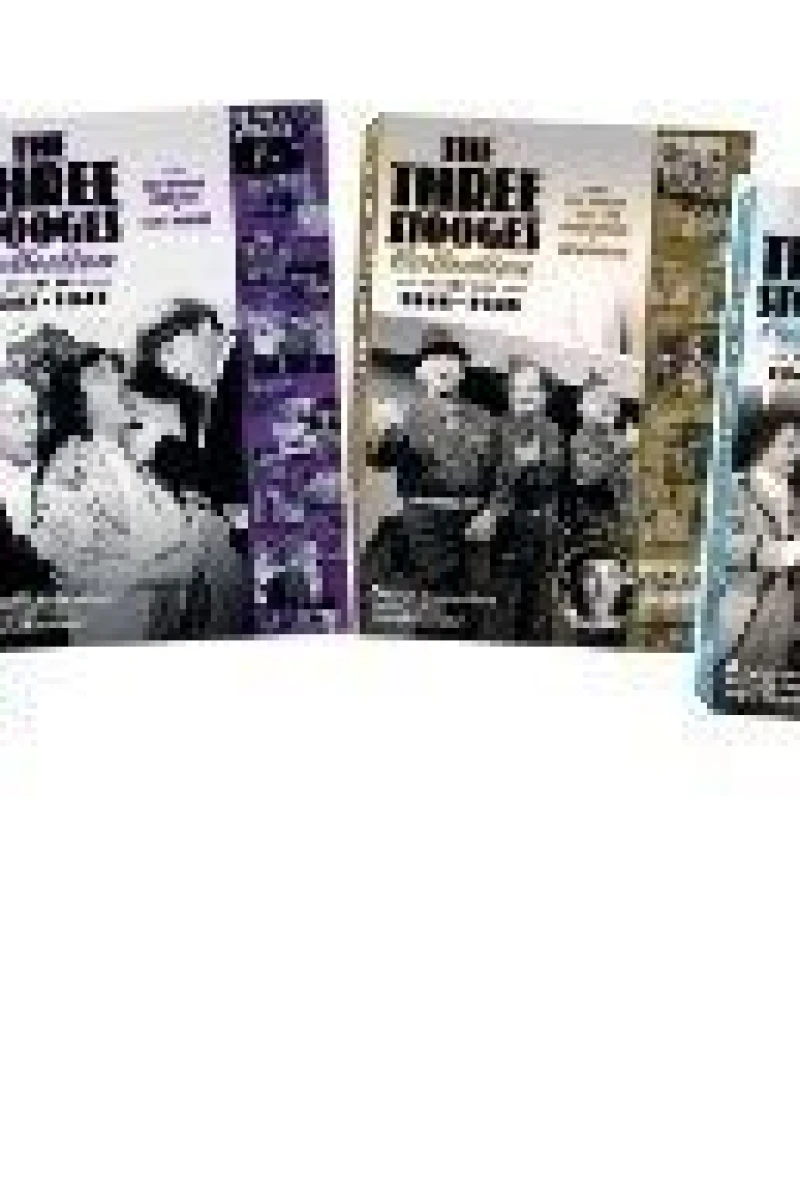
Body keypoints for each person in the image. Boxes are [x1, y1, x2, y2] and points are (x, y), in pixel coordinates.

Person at [363, 327, 503, 637]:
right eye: (435, 358)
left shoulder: (487, 420)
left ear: (462, 372)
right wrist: (376, 430)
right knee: (433, 615)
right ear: (420, 371)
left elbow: (502, 473)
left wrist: (492, 512)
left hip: (475, 526)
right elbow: (379, 460)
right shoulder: (403, 416)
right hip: (424, 527)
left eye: (452, 359)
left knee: (475, 612)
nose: (444, 365)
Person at [715, 404, 800, 671]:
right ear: (762, 444)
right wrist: (775, 552)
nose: (797, 454)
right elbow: (718, 544)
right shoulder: (732, 487)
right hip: (739, 622)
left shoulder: (794, 499)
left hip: (781, 629)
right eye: (789, 445)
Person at [491, 356, 563, 640]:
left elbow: (553, 477)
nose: (525, 395)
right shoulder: (496, 428)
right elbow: (488, 477)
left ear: (544, 395)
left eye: (532, 388)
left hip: (540, 525)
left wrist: (534, 464)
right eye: (518, 388)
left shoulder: (552, 431)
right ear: (509, 393)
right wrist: (520, 465)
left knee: (537, 599)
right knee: (501, 595)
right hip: (502, 524)